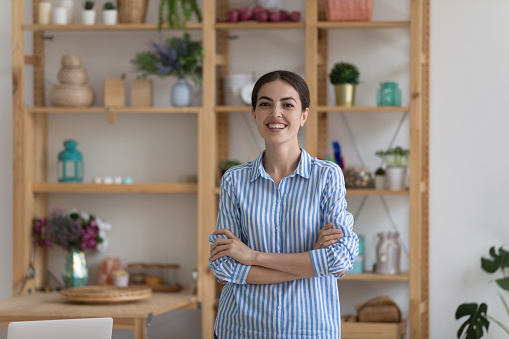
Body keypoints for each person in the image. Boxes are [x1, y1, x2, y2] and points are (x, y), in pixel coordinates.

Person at [208, 70, 359, 339]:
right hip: (241, 329)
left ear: (303, 116)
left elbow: (338, 259)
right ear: (254, 114)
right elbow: (224, 266)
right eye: (265, 104)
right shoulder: (234, 180)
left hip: (310, 330)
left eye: (287, 104)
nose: (275, 113)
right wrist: (310, 263)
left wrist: (252, 257)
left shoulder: (326, 176)